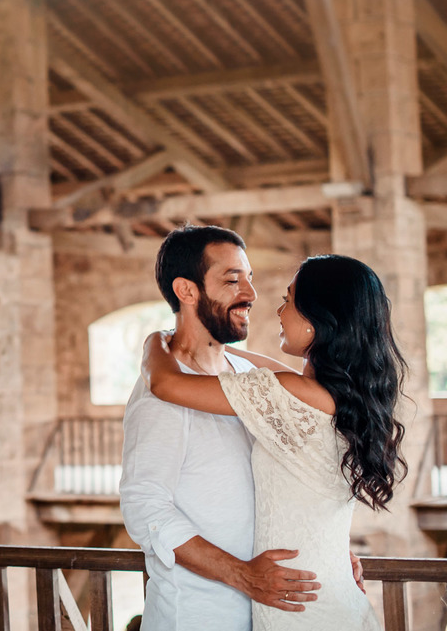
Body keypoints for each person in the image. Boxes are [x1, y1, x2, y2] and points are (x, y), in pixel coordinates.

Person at [142, 253, 405, 630]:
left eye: (289, 300)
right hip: (327, 589)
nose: (279, 311)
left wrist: (158, 340)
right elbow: (267, 368)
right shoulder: (346, 399)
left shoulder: (290, 393)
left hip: (298, 606)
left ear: (318, 319)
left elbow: (165, 384)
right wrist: (215, 344)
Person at [120, 225, 324, 631]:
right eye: (232, 280)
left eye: (250, 279)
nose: (250, 294)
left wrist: (326, 554)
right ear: (187, 291)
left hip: (269, 616)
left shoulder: (249, 374)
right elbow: (145, 507)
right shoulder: (161, 392)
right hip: (196, 616)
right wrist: (242, 575)